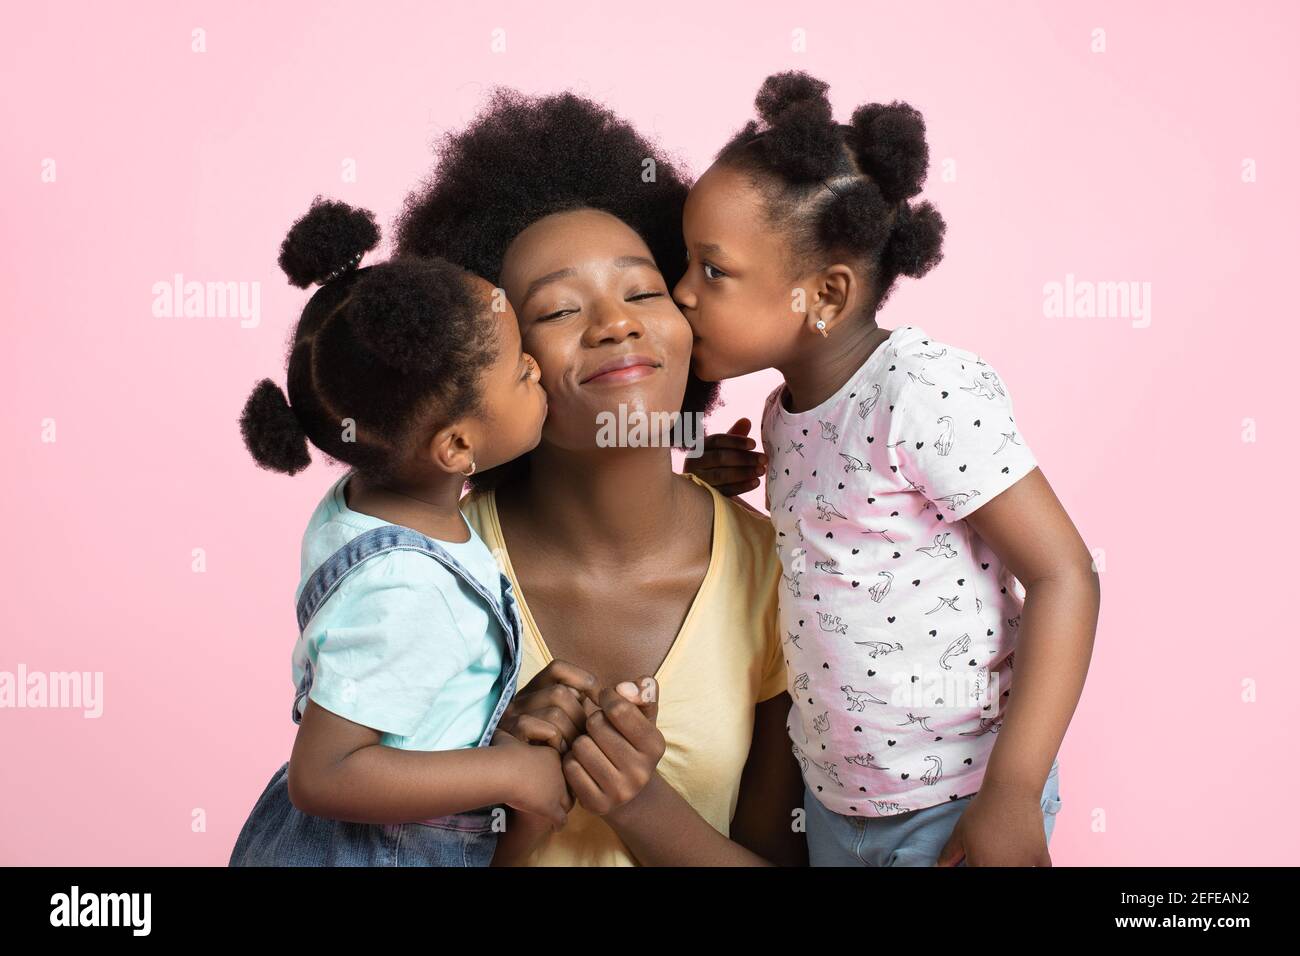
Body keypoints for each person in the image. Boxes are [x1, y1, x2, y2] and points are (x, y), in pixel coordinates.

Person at [678, 72, 1100, 866]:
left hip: (959, 800)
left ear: (826, 294)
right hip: (838, 803)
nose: (680, 293)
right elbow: (854, 557)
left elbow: (1065, 574)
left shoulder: (922, 388)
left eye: (712, 270)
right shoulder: (783, 411)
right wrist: (717, 484)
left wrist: (1012, 790)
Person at [228, 197, 565, 867]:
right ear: (456, 446)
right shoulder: (410, 586)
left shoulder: (371, 501)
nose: (537, 368)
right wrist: (509, 774)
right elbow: (324, 775)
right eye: (520, 366)